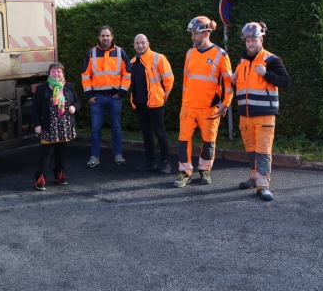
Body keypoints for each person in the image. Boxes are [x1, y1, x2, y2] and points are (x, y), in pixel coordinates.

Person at [232, 22, 291, 201]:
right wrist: (233, 81)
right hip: (245, 116)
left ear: (261, 39)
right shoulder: (241, 64)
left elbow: (286, 82)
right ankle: (254, 177)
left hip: (264, 115)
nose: (250, 44)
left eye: (254, 40)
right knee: (251, 150)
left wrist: (266, 74)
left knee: (263, 151)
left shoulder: (271, 60)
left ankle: (263, 185)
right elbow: (243, 88)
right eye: (248, 40)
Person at [174, 16, 233, 188]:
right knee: (183, 141)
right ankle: (185, 172)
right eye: (192, 34)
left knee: (209, 141)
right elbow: (186, 81)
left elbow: (229, 83)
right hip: (188, 107)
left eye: (195, 34)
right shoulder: (189, 53)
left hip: (209, 108)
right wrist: (184, 103)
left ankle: (204, 169)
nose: (192, 37)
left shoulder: (221, 55)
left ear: (206, 33)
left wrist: (225, 103)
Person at [81, 26, 131, 167]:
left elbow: (127, 74)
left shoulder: (120, 53)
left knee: (116, 128)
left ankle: (118, 155)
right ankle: (94, 157)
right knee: (96, 128)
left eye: (108, 35)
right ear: (99, 37)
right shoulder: (91, 53)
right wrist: (89, 95)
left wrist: (121, 92)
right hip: (97, 98)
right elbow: (85, 75)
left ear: (112, 36)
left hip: (115, 97)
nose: (105, 38)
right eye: (103, 36)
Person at [32, 62, 81, 191]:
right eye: (53, 71)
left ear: (62, 73)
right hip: (48, 125)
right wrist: (37, 124)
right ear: (49, 73)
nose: (56, 73)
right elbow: (35, 108)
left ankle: (59, 175)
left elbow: (78, 101)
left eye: (58, 71)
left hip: (64, 125)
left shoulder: (69, 87)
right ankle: (40, 179)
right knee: (46, 152)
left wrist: (74, 107)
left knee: (61, 152)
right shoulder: (42, 88)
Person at [130, 34, 174, 174]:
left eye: (142, 42)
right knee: (146, 134)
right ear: (134, 45)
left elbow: (169, 79)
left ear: (148, 43)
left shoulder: (158, 58)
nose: (140, 45)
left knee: (160, 133)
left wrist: (163, 97)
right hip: (140, 103)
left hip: (156, 103)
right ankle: (150, 161)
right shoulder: (133, 61)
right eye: (137, 43)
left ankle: (166, 162)